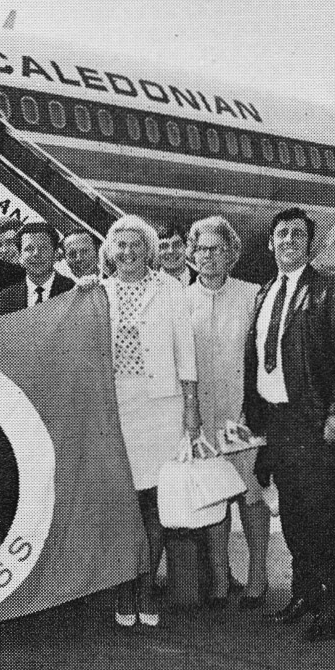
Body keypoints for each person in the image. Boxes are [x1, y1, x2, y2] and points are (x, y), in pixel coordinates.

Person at [243, 207, 335, 642]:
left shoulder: (330, 288)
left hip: (314, 421)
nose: (289, 240)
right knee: (292, 514)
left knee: (324, 515)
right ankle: (304, 593)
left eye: (298, 234)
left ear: (310, 244)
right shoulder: (265, 291)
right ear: (270, 243)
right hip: (275, 422)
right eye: (282, 234)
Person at [101, 215, 199, 628]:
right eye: (119, 245)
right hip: (115, 408)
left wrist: (191, 409)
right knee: (124, 506)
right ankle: (126, 588)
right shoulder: (97, 292)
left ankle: (145, 590)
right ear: (110, 251)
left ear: (149, 250)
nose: (127, 253)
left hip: (161, 409)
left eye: (135, 245)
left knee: (155, 506)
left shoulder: (172, 290)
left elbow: (186, 352)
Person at [185, 216, 270, 610]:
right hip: (200, 419)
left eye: (217, 249)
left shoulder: (253, 296)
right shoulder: (181, 301)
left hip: (242, 418)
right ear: (191, 254)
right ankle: (220, 577)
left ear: (233, 254)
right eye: (202, 249)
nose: (209, 257)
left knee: (250, 496)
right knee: (214, 496)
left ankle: (257, 574)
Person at [0, 221, 74, 314]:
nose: (36, 254)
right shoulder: (1, 300)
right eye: (29, 249)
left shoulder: (73, 291)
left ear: (56, 254)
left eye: (43, 248)